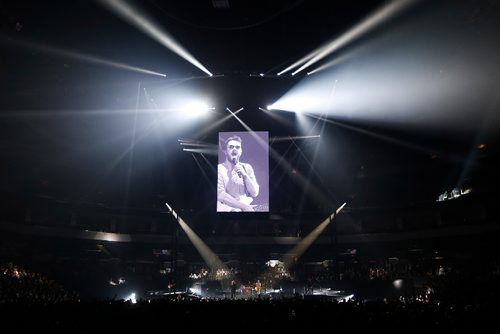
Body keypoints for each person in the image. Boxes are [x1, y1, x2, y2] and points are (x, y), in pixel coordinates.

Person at [217, 135, 259, 212]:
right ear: (225, 151)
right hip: (226, 209)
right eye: (231, 147)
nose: (234, 149)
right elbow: (221, 195)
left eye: (237, 147)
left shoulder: (247, 167)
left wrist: (245, 175)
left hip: (244, 207)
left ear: (241, 151)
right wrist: (245, 207)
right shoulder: (219, 168)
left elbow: (254, 193)